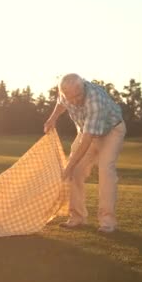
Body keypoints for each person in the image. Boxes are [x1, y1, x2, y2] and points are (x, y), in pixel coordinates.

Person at [44, 73, 126, 233]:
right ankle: (77, 218)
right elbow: (61, 103)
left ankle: (107, 222)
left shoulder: (94, 99)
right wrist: (52, 118)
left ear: (83, 88)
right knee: (75, 172)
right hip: (85, 131)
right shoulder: (66, 94)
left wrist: (68, 166)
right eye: (70, 97)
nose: (75, 100)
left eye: (78, 95)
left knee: (105, 170)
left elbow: (87, 140)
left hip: (111, 131)